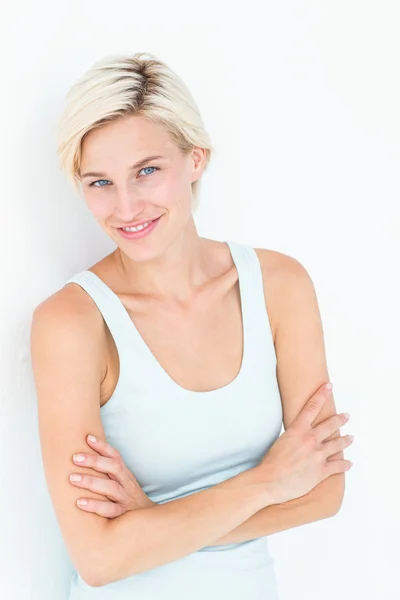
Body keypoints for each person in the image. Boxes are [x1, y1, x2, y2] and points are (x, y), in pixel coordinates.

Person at [30, 52, 353, 599]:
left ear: (195, 159)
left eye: (147, 171)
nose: (126, 206)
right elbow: (101, 558)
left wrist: (155, 523)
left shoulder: (279, 286)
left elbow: (325, 491)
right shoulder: (72, 322)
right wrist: (269, 482)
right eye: (99, 182)